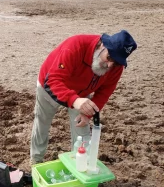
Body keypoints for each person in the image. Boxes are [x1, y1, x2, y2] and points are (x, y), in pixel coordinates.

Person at [30, 30, 137, 164]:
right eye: (109, 58)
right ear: (102, 45)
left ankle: (80, 165)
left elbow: (105, 91)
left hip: (81, 94)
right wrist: (74, 100)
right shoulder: (75, 46)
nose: (110, 65)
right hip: (50, 86)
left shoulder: (116, 67)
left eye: (116, 63)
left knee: (82, 129)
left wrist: (88, 114)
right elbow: (53, 80)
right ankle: (36, 160)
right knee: (42, 122)